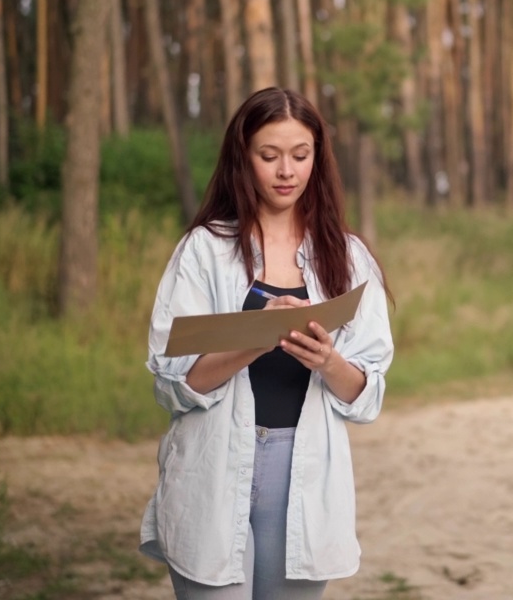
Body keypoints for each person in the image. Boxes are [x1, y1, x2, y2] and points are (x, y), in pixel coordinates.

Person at [139, 87, 394, 600]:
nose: (286, 172)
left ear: (317, 159)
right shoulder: (205, 251)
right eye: (269, 156)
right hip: (213, 464)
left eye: (300, 156)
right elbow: (172, 383)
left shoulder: (346, 256)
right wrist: (257, 338)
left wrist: (327, 360)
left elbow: (366, 393)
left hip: (300, 466)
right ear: (243, 157)